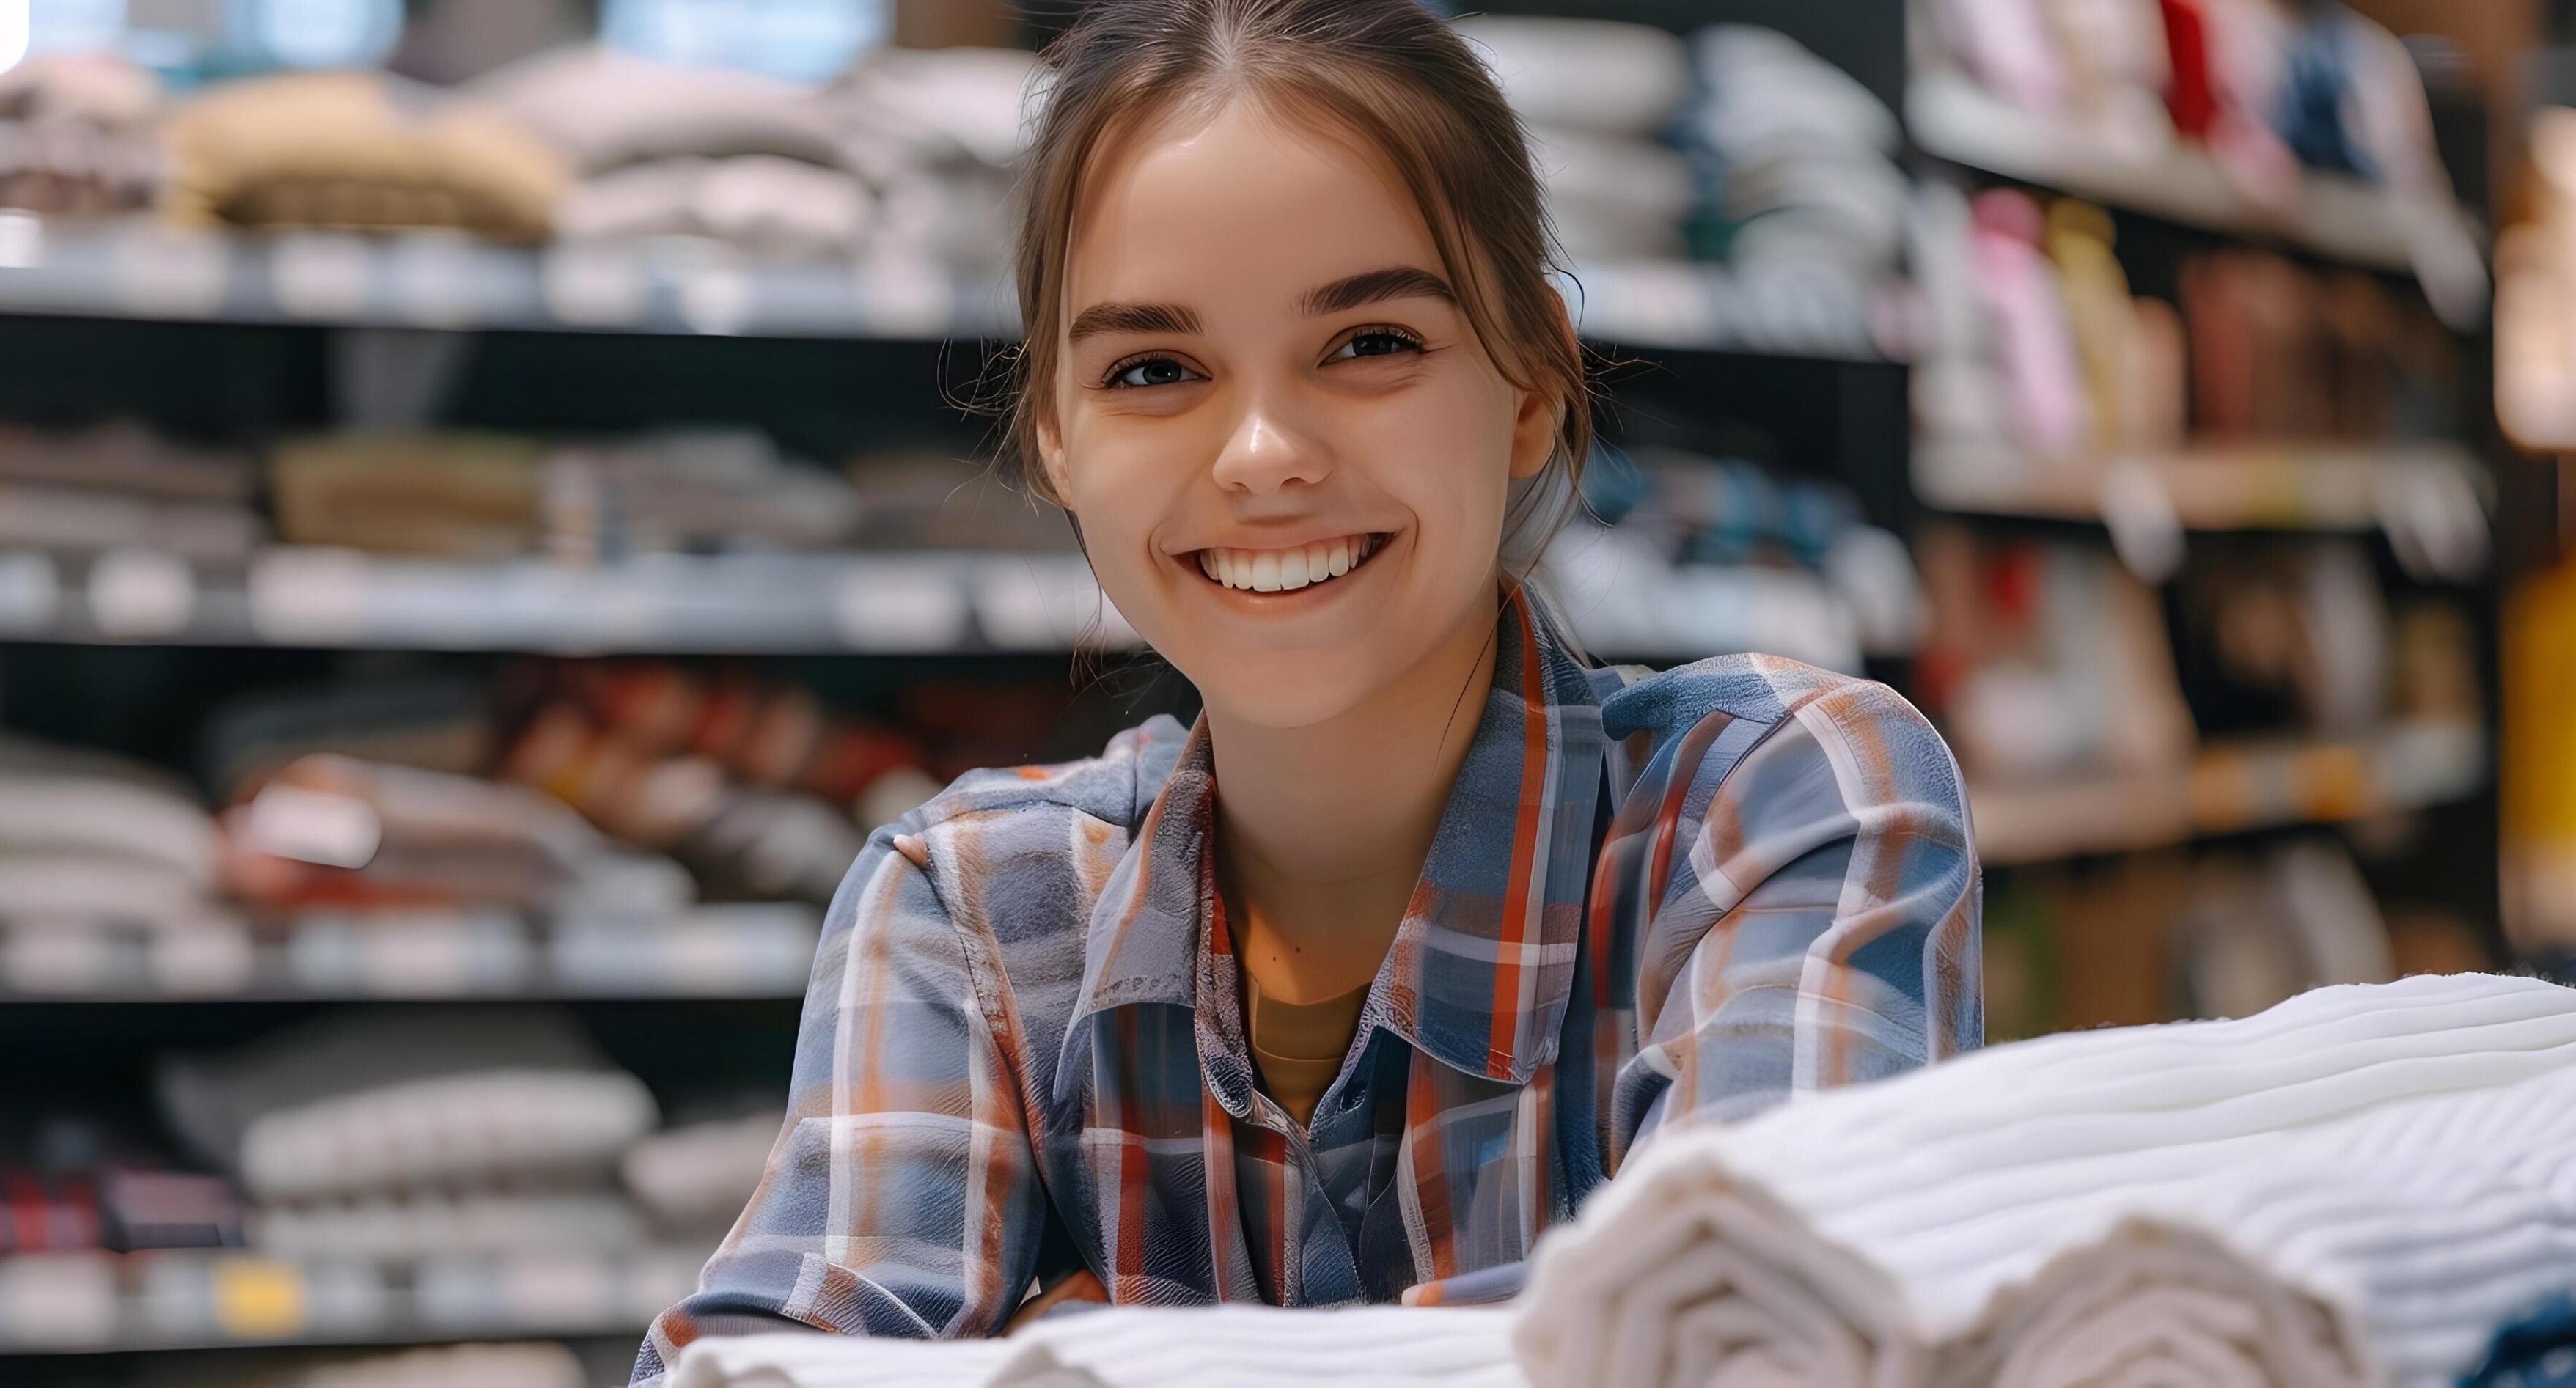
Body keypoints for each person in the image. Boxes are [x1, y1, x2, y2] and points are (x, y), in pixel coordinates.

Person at [636, 0, 1978, 1376]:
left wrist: (1097, 1342)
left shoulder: (1776, 808)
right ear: (1055, 438)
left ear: (1530, 384)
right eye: (1154, 370)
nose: (1264, 454)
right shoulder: (971, 911)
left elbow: (1755, 1344)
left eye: (1369, 343)